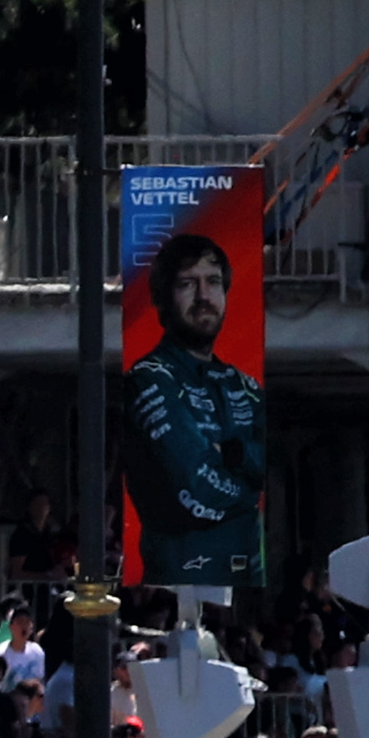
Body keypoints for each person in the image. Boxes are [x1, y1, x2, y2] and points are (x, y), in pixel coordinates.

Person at [116, 226, 267, 591]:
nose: (204, 296)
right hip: (176, 581)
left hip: (246, 578)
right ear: (164, 297)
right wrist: (250, 490)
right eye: (188, 284)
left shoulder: (244, 385)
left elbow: (269, 462)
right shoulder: (150, 378)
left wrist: (231, 453)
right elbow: (195, 489)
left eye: (213, 282)